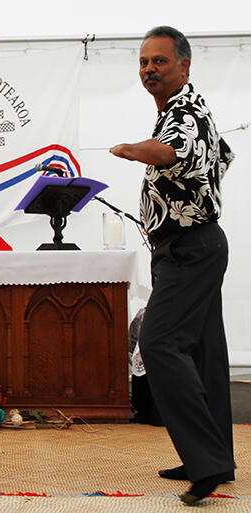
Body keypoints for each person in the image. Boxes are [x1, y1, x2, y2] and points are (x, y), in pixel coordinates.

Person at [110, 26, 235, 505]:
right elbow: (222, 157)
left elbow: (170, 153)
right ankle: (215, 456)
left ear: (184, 65)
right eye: (143, 62)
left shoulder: (183, 111)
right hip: (191, 245)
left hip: (189, 248)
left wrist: (129, 149)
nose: (149, 70)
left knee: (160, 345)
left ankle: (206, 464)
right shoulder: (187, 112)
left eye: (159, 61)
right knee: (203, 353)